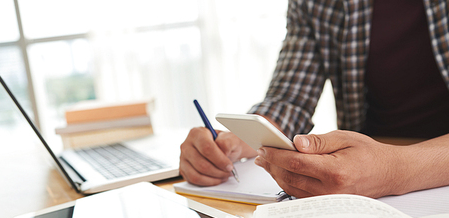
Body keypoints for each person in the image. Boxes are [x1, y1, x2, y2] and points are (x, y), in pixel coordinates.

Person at [179, 0, 449, 199]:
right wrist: (236, 141)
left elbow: (389, 170)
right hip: (366, 184)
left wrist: (392, 170)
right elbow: (290, 98)